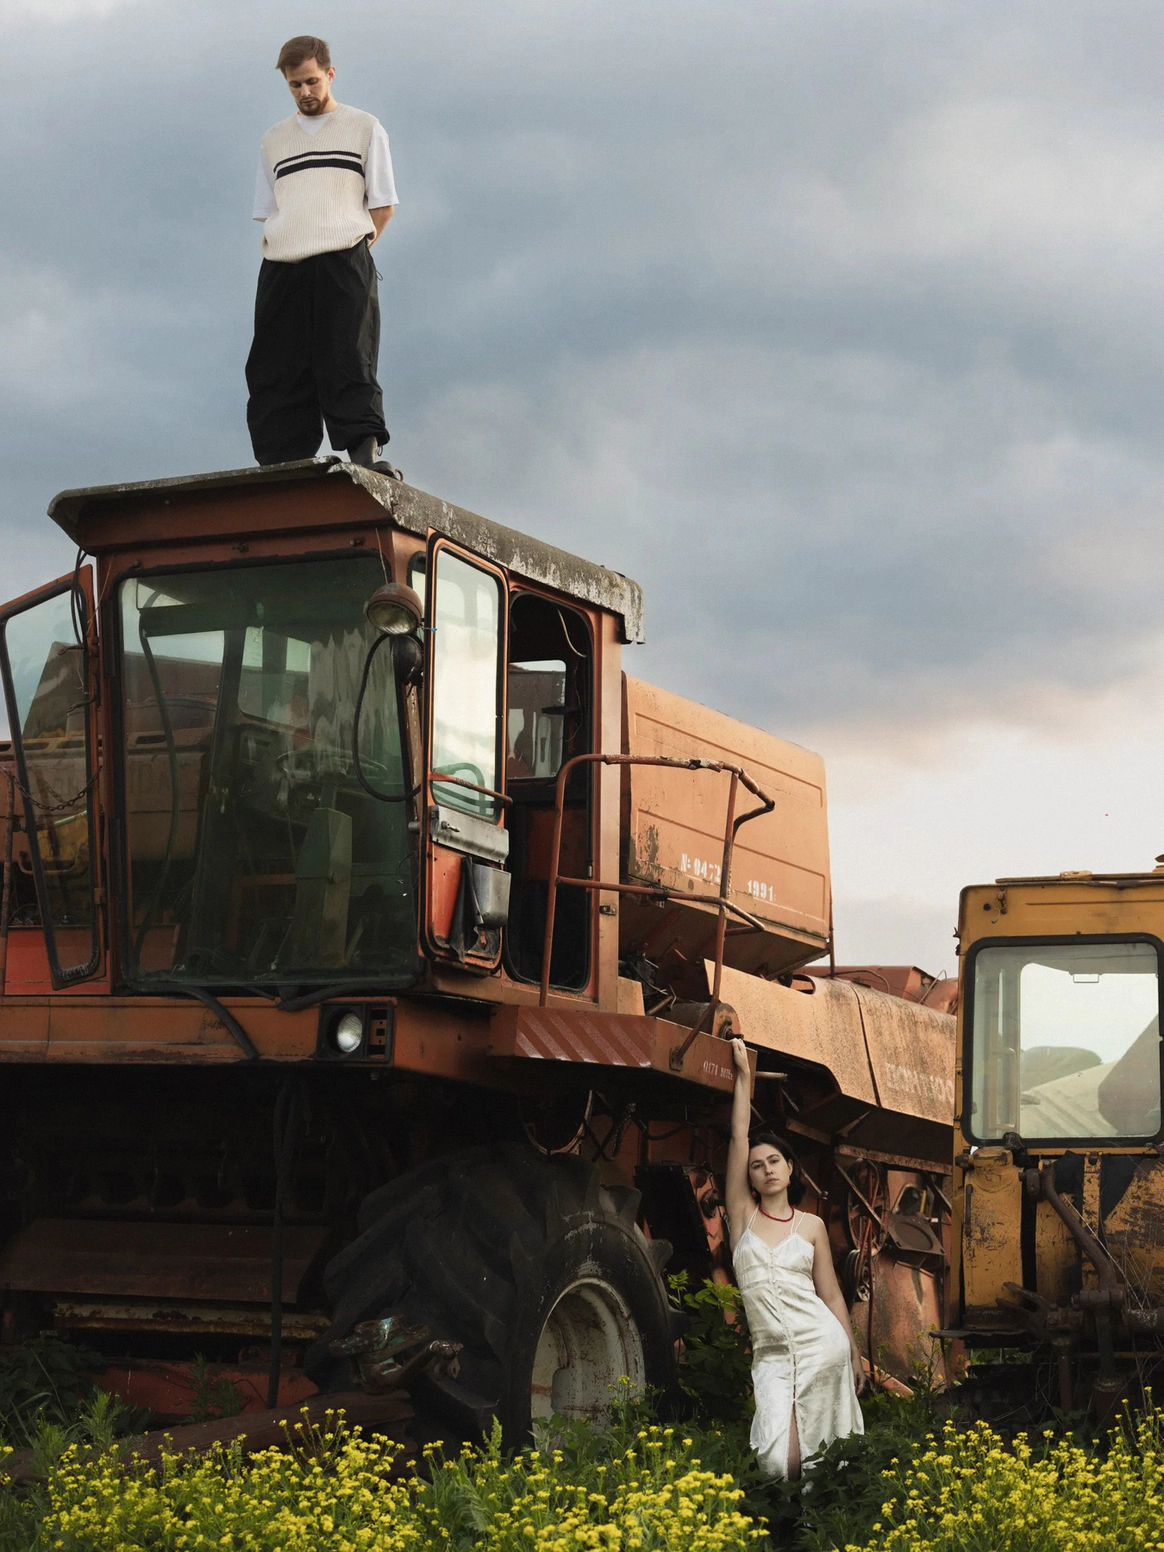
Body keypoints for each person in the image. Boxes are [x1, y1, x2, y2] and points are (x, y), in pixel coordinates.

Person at [246, 35, 400, 477]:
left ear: (330, 74)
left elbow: (383, 205)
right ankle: (281, 466)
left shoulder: (364, 127)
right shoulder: (274, 140)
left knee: (349, 356)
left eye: (312, 81)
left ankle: (364, 457)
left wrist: (351, 247)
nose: (305, 92)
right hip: (282, 264)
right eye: (295, 85)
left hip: (343, 257)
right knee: (276, 365)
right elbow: (271, 210)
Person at [726, 1036, 865, 1480]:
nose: (766, 1169)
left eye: (774, 1161)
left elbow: (832, 1295)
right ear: (749, 1177)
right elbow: (738, 1137)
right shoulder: (742, 1218)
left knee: (821, 1460)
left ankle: (817, 1517)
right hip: (770, 1356)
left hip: (820, 1345)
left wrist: (854, 1352)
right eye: (757, 1165)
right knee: (776, 1462)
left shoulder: (812, 1226)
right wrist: (744, 1077)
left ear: (789, 1169)